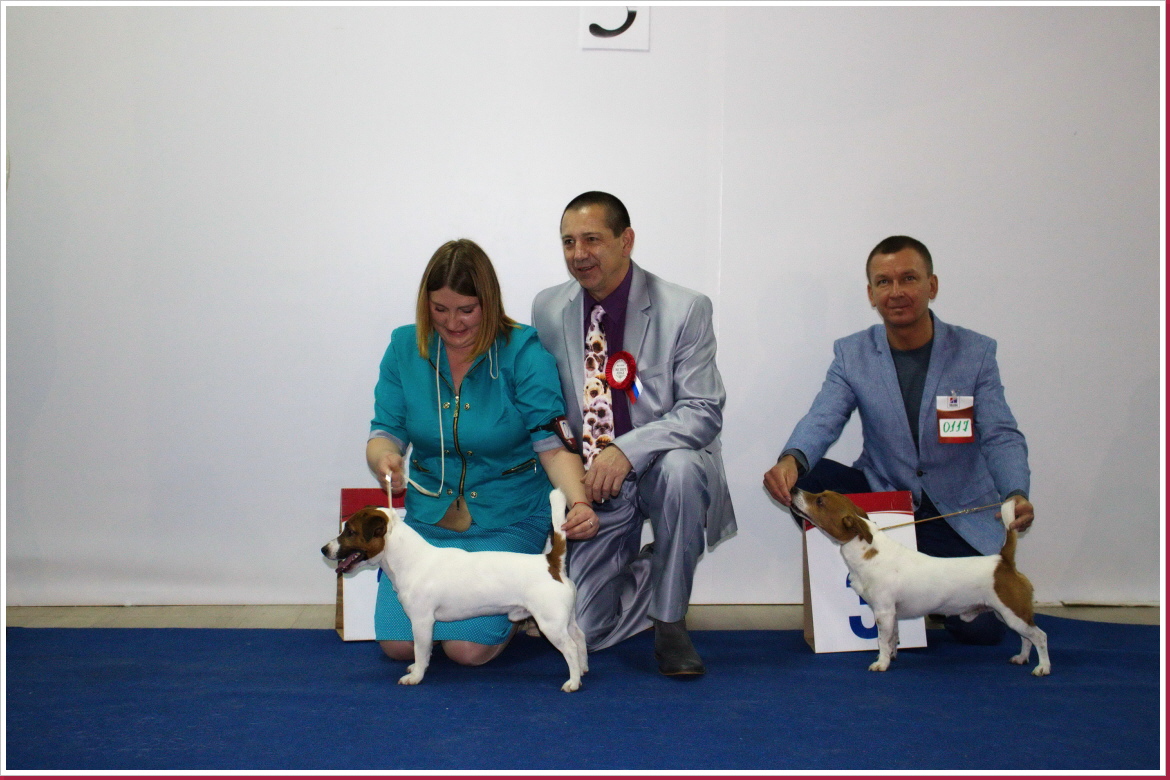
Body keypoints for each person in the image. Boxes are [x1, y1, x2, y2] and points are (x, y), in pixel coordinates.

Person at [763, 235, 1034, 645]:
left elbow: (1000, 434)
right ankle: (862, 575)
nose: (896, 292)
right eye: (884, 282)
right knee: (807, 480)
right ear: (871, 294)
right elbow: (823, 418)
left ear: (932, 285)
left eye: (908, 278)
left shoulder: (975, 352)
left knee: (981, 630)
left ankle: (925, 594)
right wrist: (791, 459)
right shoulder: (852, 353)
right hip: (884, 505)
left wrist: (1015, 492)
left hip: (952, 513)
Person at [531, 191, 736, 676]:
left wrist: (627, 449)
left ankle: (670, 622)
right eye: (568, 242)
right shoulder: (547, 308)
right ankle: (663, 565)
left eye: (592, 240)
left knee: (681, 468)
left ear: (626, 241)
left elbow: (704, 410)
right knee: (584, 628)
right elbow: (549, 411)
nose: (579, 254)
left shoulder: (685, 307)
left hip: (662, 469)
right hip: (594, 486)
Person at [366, 238, 599, 667]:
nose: (452, 322)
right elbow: (385, 430)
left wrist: (579, 501)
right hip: (430, 523)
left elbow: (552, 443)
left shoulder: (523, 351)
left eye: (466, 310)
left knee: (466, 651)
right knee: (398, 646)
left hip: (508, 516)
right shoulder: (403, 347)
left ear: (488, 303)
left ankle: (519, 609)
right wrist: (384, 457)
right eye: (440, 309)